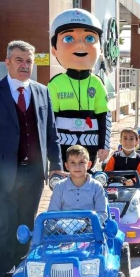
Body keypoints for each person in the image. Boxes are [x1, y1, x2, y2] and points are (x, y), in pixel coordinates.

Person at [0, 40, 63, 277]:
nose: (24, 65)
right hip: (2, 175)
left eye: (28, 61)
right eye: (19, 60)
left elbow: (51, 133)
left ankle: (22, 270)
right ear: (7, 63)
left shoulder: (42, 91)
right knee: (4, 226)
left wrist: (56, 167)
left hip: (34, 174)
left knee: (26, 224)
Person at [47, 9, 111, 171]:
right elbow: (48, 120)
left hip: (91, 142)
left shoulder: (97, 83)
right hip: (63, 143)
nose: (80, 45)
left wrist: (105, 144)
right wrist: (50, 149)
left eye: (90, 38)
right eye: (68, 38)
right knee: (63, 184)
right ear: (54, 48)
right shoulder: (55, 83)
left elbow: (104, 116)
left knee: (86, 182)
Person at [47, 145, 108, 224]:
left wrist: (87, 224)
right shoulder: (59, 187)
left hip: (90, 230)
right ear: (66, 166)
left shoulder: (96, 186)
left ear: (89, 165)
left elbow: (102, 213)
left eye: (81, 162)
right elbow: (52, 213)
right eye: (72, 163)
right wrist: (60, 226)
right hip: (63, 231)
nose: (77, 167)